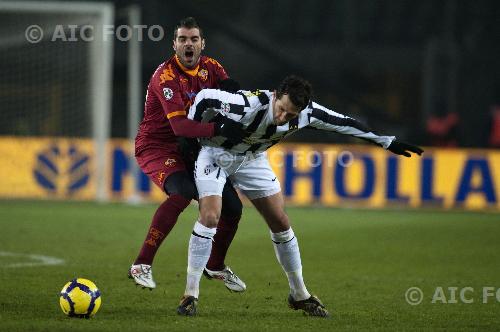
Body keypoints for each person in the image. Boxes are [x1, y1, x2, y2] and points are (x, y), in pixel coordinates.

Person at [177, 75, 423, 317]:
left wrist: (385, 141)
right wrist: (190, 135)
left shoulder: (306, 114)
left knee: (281, 222)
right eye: (282, 109)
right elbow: (205, 97)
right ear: (275, 95)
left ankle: (299, 294)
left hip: (251, 159)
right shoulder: (246, 105)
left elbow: (343, 122)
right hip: (216, 153)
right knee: (210, 216)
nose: (283, 117)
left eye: (291, 115)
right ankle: (190, 294)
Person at [129, 17, 247, 292]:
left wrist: (235, 94)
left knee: (233, 208)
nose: (188, 44)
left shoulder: (212, 67)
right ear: (175, 45)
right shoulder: (165, 76)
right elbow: (179, 126)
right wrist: (220, 128)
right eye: (182, 39)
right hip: (157, 145)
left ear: (202, 43)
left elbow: (232, 93)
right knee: (181, 192)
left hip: (193, 147)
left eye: (193, 39)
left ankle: (215, 266)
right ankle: (141, 264)